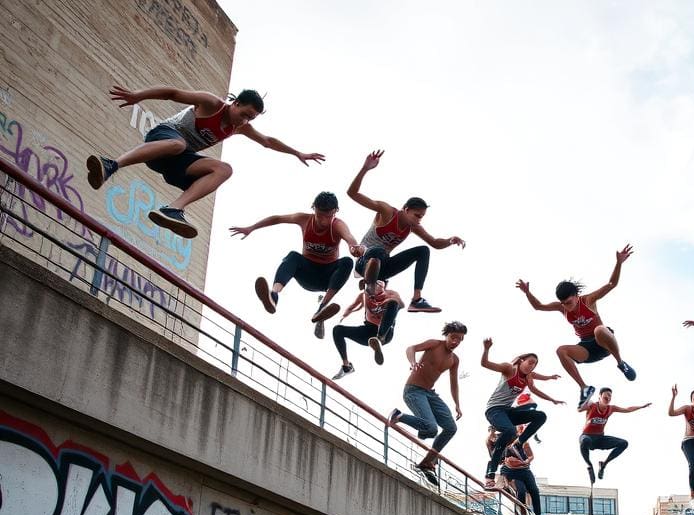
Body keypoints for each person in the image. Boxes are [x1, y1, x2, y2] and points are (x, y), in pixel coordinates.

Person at [86, 85, 324, 239]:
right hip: (163, 139)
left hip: (176, 163)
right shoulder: (212, 104)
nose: (244, 122)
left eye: (250, 119)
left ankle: (173, 209)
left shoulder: (239, 127)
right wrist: (138, 96)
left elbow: (267, 141)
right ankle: (111, 165)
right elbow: (173, 93)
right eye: (244, 114)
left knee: (224, 169)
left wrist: (297, 153)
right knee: (179, 144)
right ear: (236, 103)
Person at [516, 245, 636, 408]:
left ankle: (621, 363)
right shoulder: (561, 307)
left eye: (569, 302)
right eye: (563, 303)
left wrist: (619, 263)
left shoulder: (588, 300)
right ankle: (584, 388)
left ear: (576, 296)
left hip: (604, 342)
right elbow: (538, 306)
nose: (567, 306)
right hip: (586, 347)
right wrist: (527, 293)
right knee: (561, 350)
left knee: (599, 329)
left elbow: (611, 283)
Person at [229, 192, 364, 337]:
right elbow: (278, 219)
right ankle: (273, 296)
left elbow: (350, 239)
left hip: (327, 277)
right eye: (320, 216)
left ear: (335, 211)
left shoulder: (338, 225)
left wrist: (354, 249)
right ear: (313, 209)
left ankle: (322, 308)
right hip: (306, 273)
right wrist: (251, 228)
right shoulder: (304, 219)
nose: (324, 221)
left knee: (347, 262)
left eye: (328, 217)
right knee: (293, 256)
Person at [347, 150, 465, 311]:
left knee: (423, 250)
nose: (419, 220)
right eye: (417, 215)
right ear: (406, 209)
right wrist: (365, 169)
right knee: (378, 251)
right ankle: (370, 285)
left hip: (384, 268)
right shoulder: (387, 211)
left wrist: (450, 240)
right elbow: (352, 193)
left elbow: (435, 243)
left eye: (422, 217)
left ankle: (416, 300)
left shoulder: (413, 227)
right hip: (364, 262)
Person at [388, 322, 467, 486]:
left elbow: (454, 383)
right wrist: (413, 362)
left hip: (430, 394)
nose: (455, 342)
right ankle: (398, 415)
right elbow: (411, 348)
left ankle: (427, 462)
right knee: (431, 428)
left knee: (451, 428)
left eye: (459, 339)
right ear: (446, 335)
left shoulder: (454, 360)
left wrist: (457, 404)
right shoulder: (434, 344)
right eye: (453, 338)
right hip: (413, 391)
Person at [480, 339, 563, 490]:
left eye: (535, 365)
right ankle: (490, 475)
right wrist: (486, 349)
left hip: (508, 411)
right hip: (494, 410)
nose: (532, 367)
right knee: (510, 431)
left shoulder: (529, 376)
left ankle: (518, 443)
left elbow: (536, 387)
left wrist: (552, 397)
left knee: (540, 416)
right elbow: (485, 364)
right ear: (522, 360)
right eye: (530, 362)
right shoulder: (509, 369)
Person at [330, 280, 404, 379]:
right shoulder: (365, 295)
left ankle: (380, 338)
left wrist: (391, 300)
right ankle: (346, 367)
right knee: (337, 330)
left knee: (393, 303)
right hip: (367, 332)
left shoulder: (390, 294)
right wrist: (344, 315)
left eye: (379, 285)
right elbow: (352, 307)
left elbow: (402, 305)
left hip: (385, 333)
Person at [578, 387, 650, 484]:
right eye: (606, 395)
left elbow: (627, 409)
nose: (609, 397)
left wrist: (641, 407)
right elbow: (579, 409)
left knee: (624, 443)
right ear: (599, 396)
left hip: (600, 439)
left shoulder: (611, 408)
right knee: (585, 441)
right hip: (587, 436)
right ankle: (590, 466)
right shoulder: (592, 405)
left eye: (610, 396)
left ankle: (603, 465)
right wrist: (585, 401)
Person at [499, 426, 553, 515]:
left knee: (534, 490)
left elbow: (531, 456)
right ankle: (518, 511)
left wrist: (526, 461)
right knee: (521, 491)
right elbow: (502, 460)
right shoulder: (506, 445)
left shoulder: (524, 443)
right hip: (513, 472)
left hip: (525, 470)